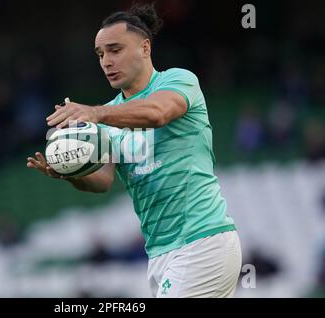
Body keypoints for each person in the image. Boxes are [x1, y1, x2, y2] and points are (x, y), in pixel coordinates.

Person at [27, 4, 242, 298]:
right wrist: (69, 171)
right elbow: (102, 180)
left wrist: (95, 113)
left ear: (145, 47)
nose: (106, 62)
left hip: (202, 241)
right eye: (100, 54)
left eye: (115, 50)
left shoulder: (178, 80)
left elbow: (157, 113)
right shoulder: (109, 116)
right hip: (160, 252)